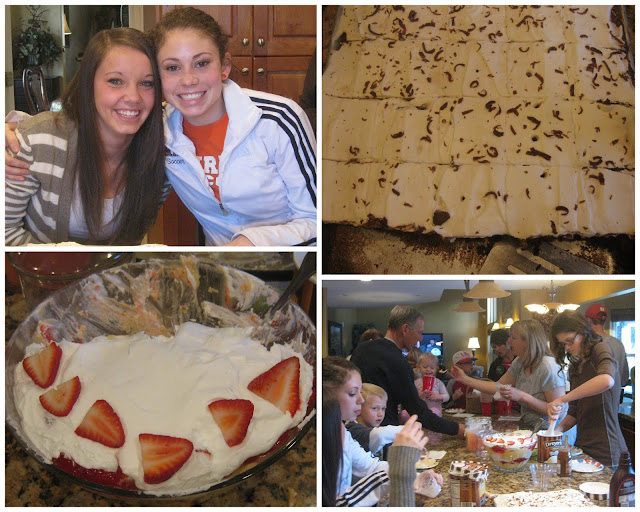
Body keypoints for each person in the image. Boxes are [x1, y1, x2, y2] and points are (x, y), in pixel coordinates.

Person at [7, 7, 317, 247]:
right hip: (219, 263)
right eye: (172, 67)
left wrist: (251, 242)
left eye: (201, 63)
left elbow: (317, 219)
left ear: (224, 66)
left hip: (294, 262)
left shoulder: (276, 120)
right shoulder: (160, 136)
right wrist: (13, 128)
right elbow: (51, 133)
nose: (188, 80)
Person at [5, 28, 168, 245]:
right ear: (89, 84)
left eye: (147, 83)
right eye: (116, 81)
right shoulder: (38, 142)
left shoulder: (164, 154)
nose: (133, 97)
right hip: (40, 267)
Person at [322, 358, 442, 507]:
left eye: (360, 392)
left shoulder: (343, 432)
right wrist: (399, 470)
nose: (361, 400)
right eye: (352, 393)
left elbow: (371, 466)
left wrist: (414, 477)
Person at [350, 305, 464, 437]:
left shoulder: (361, 349)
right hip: (383, 434)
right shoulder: (398, 361)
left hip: (354, 431)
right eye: (419, 332)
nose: (420, 338)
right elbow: (418, 411)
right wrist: (458, 429)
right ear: (405, 329)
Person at [449, 320, 566, 430]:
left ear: (527, 341)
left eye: (513, 338)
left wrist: (522, 396)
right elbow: (498, 387)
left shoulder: (548, 367)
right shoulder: (520, 362)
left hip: (551, 432)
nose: (509, 341)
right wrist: (464, 378)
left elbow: (558, 412)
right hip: (530, 427)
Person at [547, 311, 627, 467]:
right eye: (563, 344)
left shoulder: (600, 348)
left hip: (607, 450)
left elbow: (606, 380)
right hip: (583, 447)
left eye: (570, 341)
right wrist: (553, 433)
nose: (567, 347)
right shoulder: (576, 365)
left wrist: (562, 399)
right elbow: (574, 413)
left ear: (583, 332)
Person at [584, 303, 629, 403]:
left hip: (591, 400)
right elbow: (624, 378)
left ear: (588, 320)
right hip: (614, 399)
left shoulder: (586, 345)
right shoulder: (618, 344)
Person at [347, 383, 403, 457]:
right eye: (375, 408)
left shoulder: (376, 428)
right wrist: (408, 429)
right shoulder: (351, 429)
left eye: (383, 409)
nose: (380, 414)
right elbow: (379, 435)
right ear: (359, 408)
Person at [415, 352, 449, 416]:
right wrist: (420, 396)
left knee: (434, 411)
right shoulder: (416, 383)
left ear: (436, 369)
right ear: (419, 367)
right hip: (420, 412)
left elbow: (447, 396)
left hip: (435, 412)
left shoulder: (438, 382)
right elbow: (413, 398)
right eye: (425, 367)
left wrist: (439, 397)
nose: (428, 369)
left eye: (432, 368)